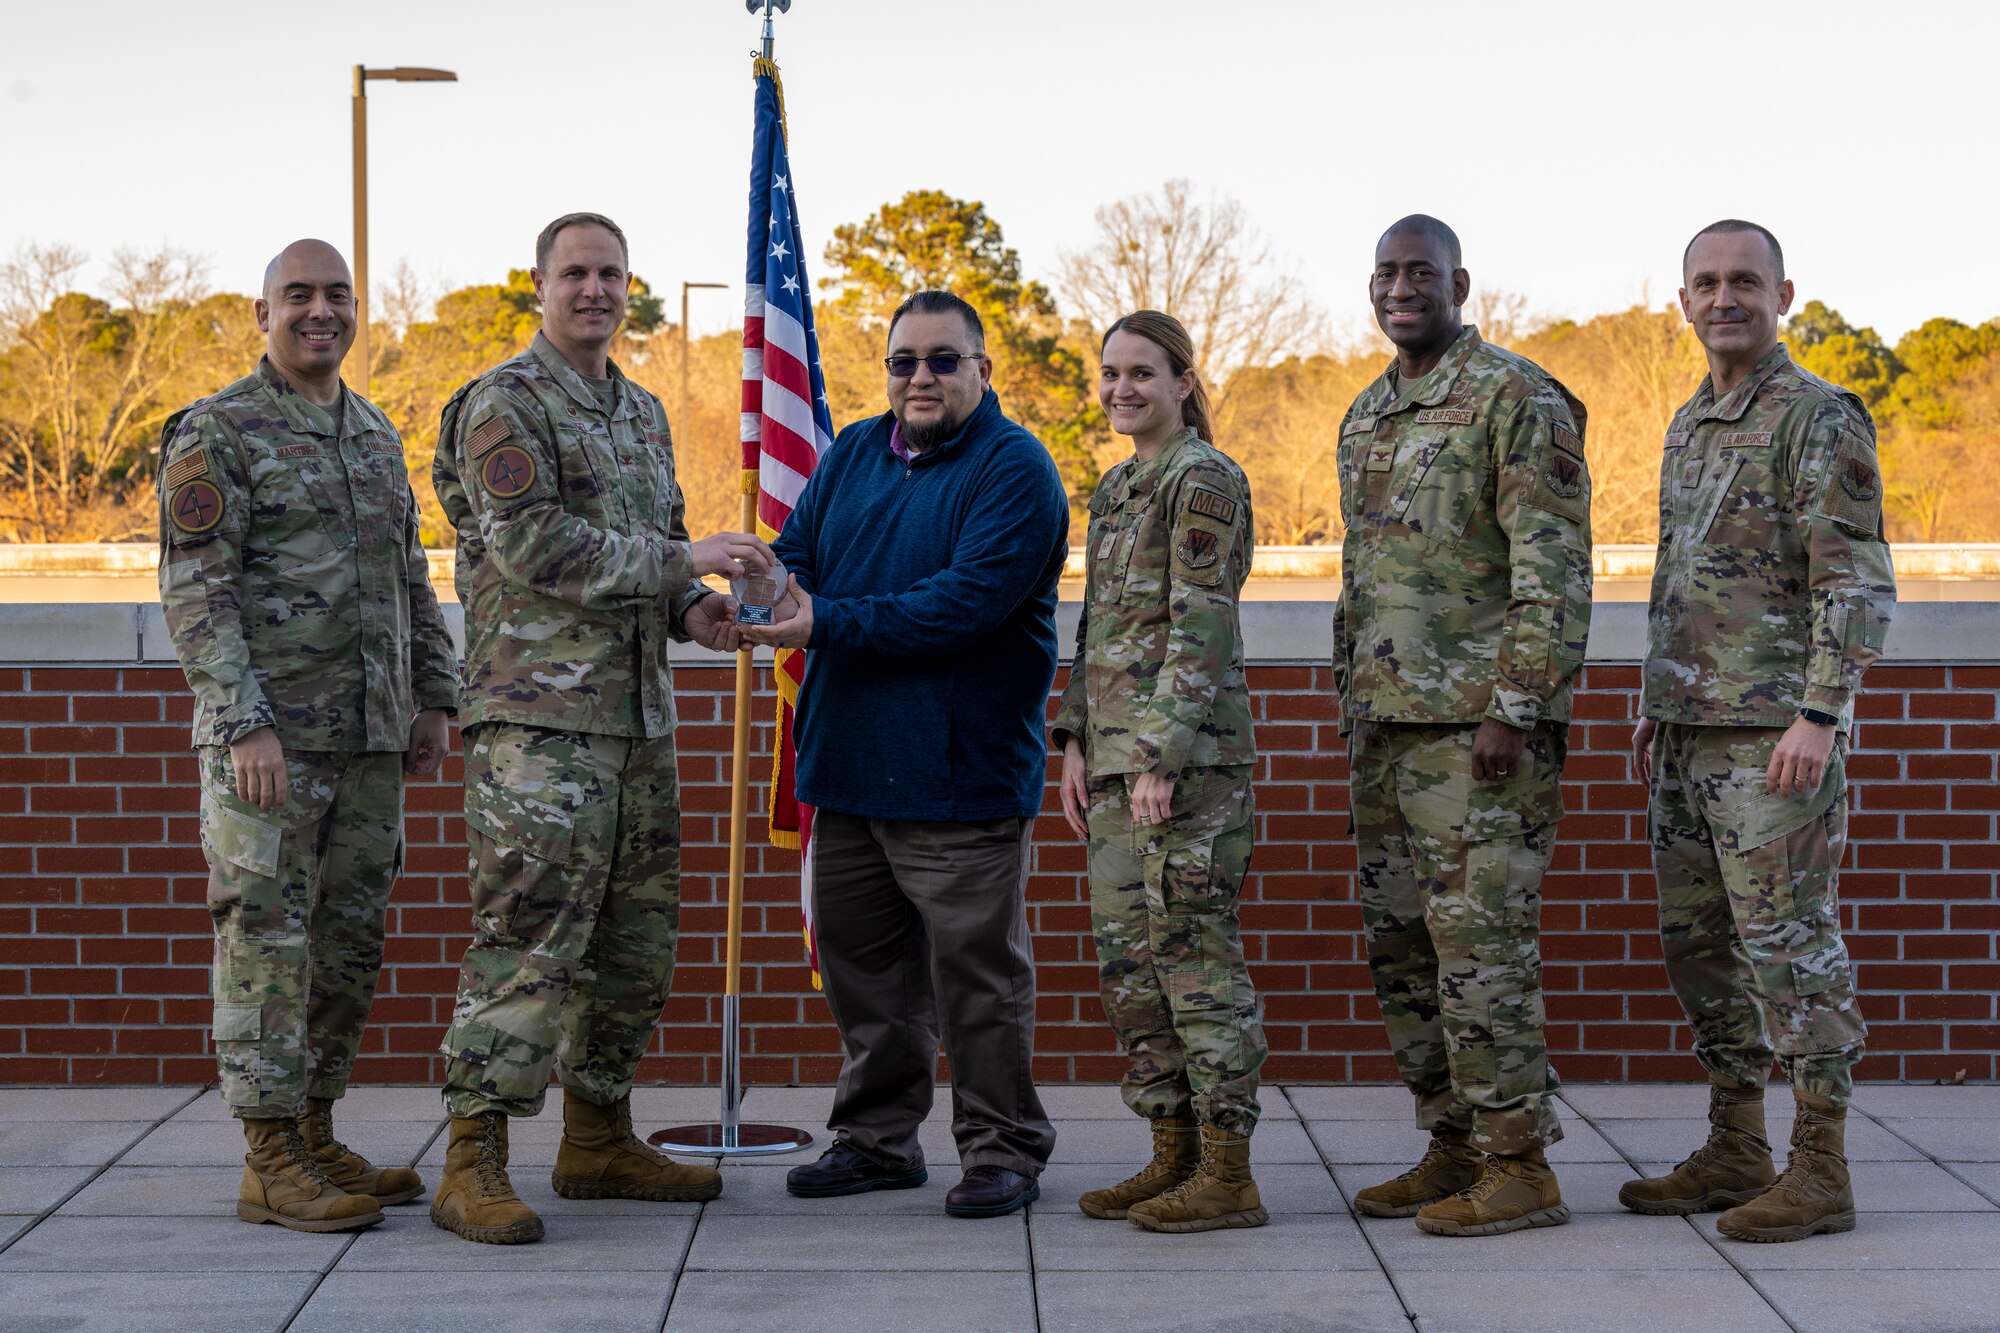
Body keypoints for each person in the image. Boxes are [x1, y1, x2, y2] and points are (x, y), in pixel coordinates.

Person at [429, 212, 773, 1245]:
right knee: (527, 943)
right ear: (536, 284)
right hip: (539, 729)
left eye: (610, 273)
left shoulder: (640, 411)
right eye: (574, 272)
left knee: (634, 948)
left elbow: (655, 549)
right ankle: (470, 1159)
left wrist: (695, 613)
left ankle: (596, 1136)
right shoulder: (504, 403)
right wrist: (683, 564)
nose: (594, 289)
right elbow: (532, 544)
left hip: (635, 725)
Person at [743, 290, 1069, 1219]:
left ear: (982, 369)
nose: (919, 378)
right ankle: (878, 1140)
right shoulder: (850, 452)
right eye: (902, 362)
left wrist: (823, 617)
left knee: (977, 982)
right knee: (868, 979)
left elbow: (960, 604)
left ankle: (1004, 1148)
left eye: (941, 360)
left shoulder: (1016, 470)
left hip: (958, 778)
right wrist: (756, 585)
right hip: (846, 769)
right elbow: (797, 556)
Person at [157, 238, 457, 1233]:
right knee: (266, 946)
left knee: (346, 945)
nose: (319, 311)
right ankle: (269, 1156)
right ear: (262, 313)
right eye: (299, 296)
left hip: (369, 742)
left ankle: (316, 1126)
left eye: (336, 295)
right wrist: (244, 723)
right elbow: (197, 592)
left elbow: (410, 579)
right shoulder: (218, 432)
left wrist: (433, 698)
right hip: (272, 749)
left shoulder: (371, 432)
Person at [1622, 220, 1894, 1243]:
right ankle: (1734, 1144)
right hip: (1690, 734)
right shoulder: (1689, 419)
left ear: (1782, 294)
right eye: (1704, 282)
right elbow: (1683, 574)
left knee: (1790, 948)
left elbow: (1853, 579)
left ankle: (1818, 1166)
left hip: (1773, 738)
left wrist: (1820, 713)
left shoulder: (1817, 417)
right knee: (1698, 949)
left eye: (1743, 280)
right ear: (1683, 301)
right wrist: (1659, 698)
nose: (1722, 296)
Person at [1333, 215, 1593, 1237]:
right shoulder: (1365, 414)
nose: (1402, 288)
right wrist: (1350, 703)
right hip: (1384, 730)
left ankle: (1518, 1164)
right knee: (1402, 949)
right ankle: (1449, 1146)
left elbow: (1554, 571)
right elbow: (1365, 578)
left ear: (1459, 283)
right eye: (1386, 273)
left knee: (1481, 952)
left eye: (1421, 273)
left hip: (1477, 736)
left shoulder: (1516, 398)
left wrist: (1515, 709)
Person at [1051, 310, 1267, 1233]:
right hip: (1109, 769)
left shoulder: (1202, 478)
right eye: (1110, 374)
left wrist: (1161, 753)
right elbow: (1102, 623)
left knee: (1194, 960)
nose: (1121, 389)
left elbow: (1202, 621)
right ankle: (1170, 1153)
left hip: (1184, 771)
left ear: (1184, 382)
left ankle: (1227, 1170)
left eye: (1142, 373)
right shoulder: (1117, 486)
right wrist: (1070, 739)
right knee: (1130, 968)